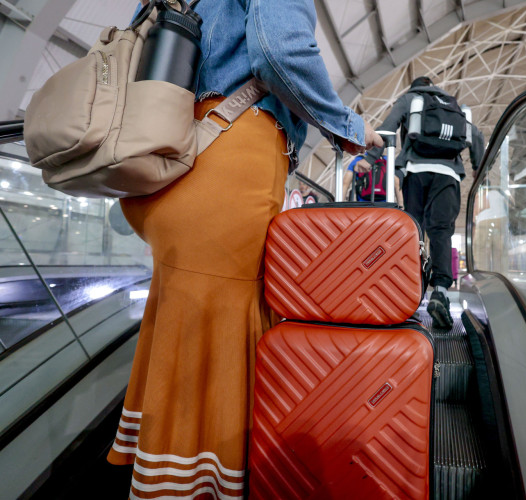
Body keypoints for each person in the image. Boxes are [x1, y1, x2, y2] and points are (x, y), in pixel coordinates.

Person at [107, 1, 383, 497]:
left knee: (189, 337)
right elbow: (278, 52)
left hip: (175, 160)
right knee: (221, 344)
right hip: (227, 167)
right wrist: (349, 126)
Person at [366, 76, 484, 329]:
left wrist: (371, 157)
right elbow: (476, 134)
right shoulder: (451, 104)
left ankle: (409, 294)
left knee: (414, 232)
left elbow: (388, 127)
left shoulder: (411, 98)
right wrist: (478, 168)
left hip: (416, 172)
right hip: (449, 174)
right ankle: (440, 292)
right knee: (441, 230)